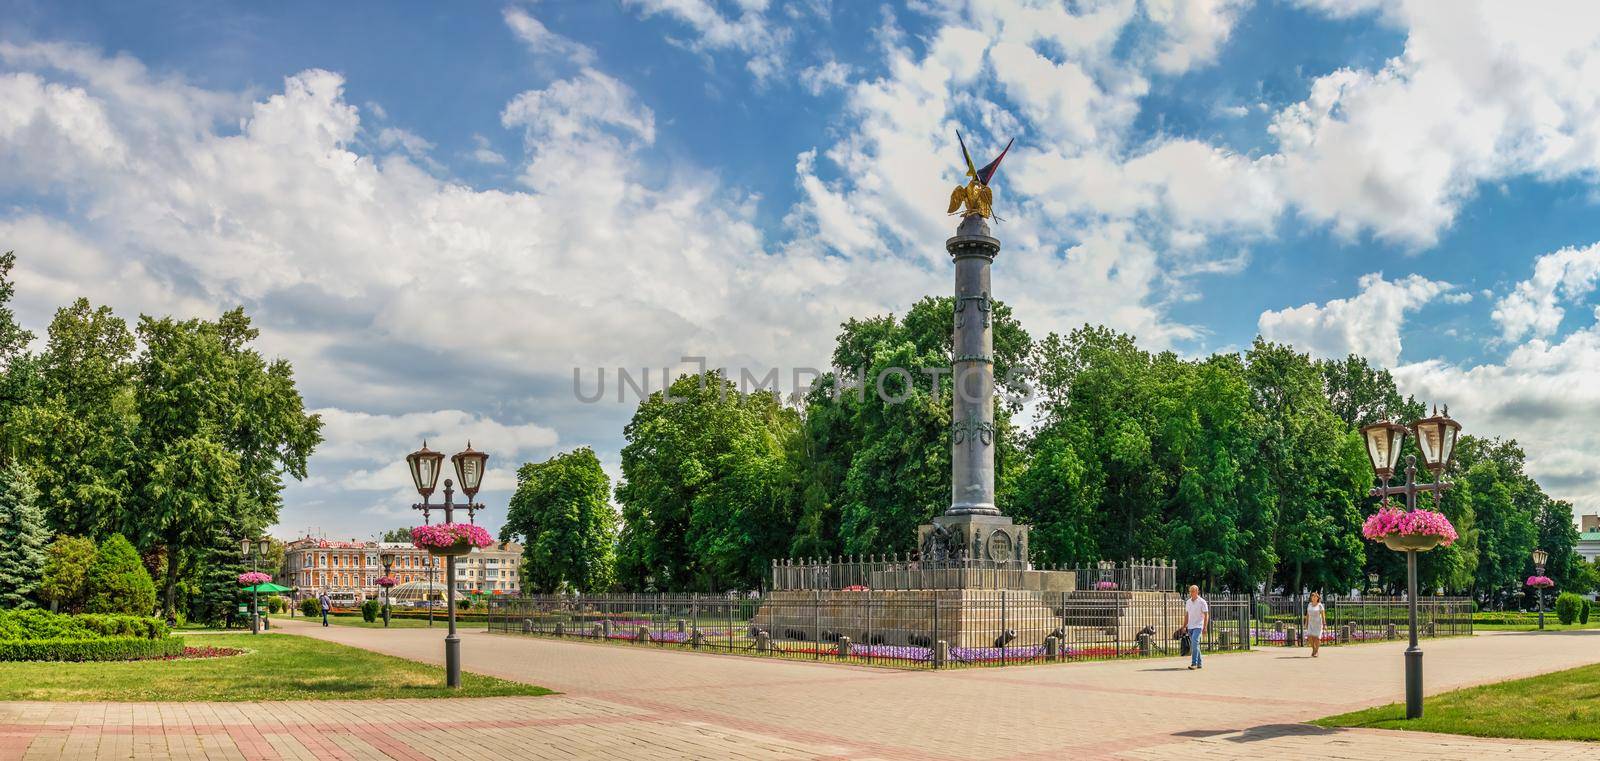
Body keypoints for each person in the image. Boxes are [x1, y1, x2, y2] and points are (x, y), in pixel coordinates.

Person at [1185, 584, 1209, 670]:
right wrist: (1184, 626)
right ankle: (1199, 663)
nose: (1191, 593)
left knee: (1194, 643)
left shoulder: (1202, 602)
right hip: (1190, 626)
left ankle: (1194, 663)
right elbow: (1187, 615)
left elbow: (1206, 615)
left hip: (1198, 626)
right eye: (1190, 591)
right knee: (1196, 645)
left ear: (1197, 591)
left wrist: (1205, 627)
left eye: (1193, 591)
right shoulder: (1188, 602)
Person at [1305, 592, 1326, 657]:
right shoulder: (1309, 604)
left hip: (1318, 624)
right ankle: (1314, 649)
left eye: (1315, 597)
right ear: (1311, 598)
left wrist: (1324, 624)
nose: (1313, 598)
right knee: (1309, 637)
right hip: (1311, 623)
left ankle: (1316, 651)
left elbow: (1323, 615)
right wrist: (1306, 623)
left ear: (1317, 598)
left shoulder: (1320, 605)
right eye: (1312, 596)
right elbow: (1307, 614)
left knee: (1317, 638)